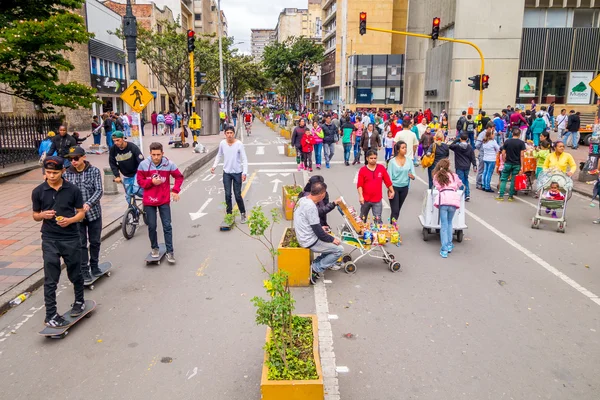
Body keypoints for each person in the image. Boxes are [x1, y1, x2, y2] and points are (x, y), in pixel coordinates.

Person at [32, 156, 86, 327]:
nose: (51, 176)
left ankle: (79, 301)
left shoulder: (73, 190)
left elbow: (81, 213)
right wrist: (42, 215)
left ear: (63, 171)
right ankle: (50, 315)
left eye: (55, 173)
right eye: (48, 172)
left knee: (75, 272)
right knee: (50, 278)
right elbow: (35, 215)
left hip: (70, 237)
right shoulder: (38, 191)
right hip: (49, 238)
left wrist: (70, 220)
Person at [137, 142, 184, 263]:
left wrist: (175, 190)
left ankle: (170, 251)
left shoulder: (169, 164)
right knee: (152, 226)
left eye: (158, 154)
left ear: (163, 153)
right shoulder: (143, 165)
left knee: (167, 226)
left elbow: (179, 177)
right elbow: (140, 181)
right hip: (149, 201)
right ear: (150, 154)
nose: (156, 157)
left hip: (164, 200)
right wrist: (151, 182)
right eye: (154, 154)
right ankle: (154, 248)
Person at [63, 146, 103, 283]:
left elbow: (99, 190)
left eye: (75, 158)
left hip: (93, 213)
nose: (73, 161)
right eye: (70, 159)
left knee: (95, 241)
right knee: (81, 244)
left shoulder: (94, 171)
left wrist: (89, 203)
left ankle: (95, 265)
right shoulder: (66, 174)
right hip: (76, 216)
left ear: (83, 157)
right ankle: (84, 270)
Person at [293, 181, 344, 285]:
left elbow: (310, 222)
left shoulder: (303, 199)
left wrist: (321, 227)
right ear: (322, 194)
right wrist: (332, 239)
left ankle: (316, 263)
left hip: (302, 235)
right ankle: (316, 268)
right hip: (308, 240)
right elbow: (319, 232)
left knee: (330, 242)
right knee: (338, 249)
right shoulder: (311, 206)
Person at [211, 125, 249, 223]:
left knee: (237, 195)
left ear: (233, 134)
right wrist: (214, 166)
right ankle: (229, 215)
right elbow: (219, 155)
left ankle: (243, 213)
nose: (229, 135)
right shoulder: (222, 143)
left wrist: (244, 173)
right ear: (225, 134)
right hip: (226, 173)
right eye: (227, 133)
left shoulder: (239, 144)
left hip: (237, 173)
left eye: (231, 133)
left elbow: (244, 159)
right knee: (227, 195)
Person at [432, 159, 462, 258]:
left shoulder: (437, 176)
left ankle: (444, 249)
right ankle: (449, 244)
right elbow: (460, 184)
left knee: (444, 225)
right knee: (450, 222)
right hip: (453, 199)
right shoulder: (453, 175)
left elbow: (436, 186)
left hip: (443, 199)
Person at [357, 149, 394, 223]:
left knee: (378, 220)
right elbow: (359, 185)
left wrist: (392, 191)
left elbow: (387, 181)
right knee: (362, 219)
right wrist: (361, 196)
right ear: (367, 158)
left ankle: (378, 234)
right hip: (365, 200)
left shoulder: (381, 168)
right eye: (371, 158)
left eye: (375, 158)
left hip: (377, 200)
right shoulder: (363, 170)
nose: (373, 160)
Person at [109, 131, 144, 205]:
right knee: (128, 196)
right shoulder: (113, 150)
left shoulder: (132, 147)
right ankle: (134, 211)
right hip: (126, 174)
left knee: (136, 189)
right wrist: (117, 176)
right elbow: (112, 163)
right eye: (114, 141)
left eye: (118, 140)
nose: (116, 143)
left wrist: (142, 174)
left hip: (136, 172)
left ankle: (148, 198)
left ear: (123, 138)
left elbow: (141, 161)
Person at [387, 141, 415, 222]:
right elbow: (389, 177)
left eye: (406, 147)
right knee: (395, 210)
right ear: (398, 150)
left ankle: (392, 227)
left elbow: (413, 174)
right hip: (394, 187)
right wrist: (390, 190)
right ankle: (393, 229)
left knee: (397, 210)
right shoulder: (392, 162)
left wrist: (412, 176)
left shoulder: (409, 161)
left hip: (404, 188)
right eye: (403, 148)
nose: (405, 149)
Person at [496, 128, 527, 201]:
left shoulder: (507, 141)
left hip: (508, 163)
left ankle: (501, 195)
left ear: (512, 134)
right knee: (513, 180)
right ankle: (510, 196)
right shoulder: (521, 143)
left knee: (503, 179)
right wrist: (522, 166)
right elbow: (522, 155)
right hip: (517, 164)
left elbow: (503, 153)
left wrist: (504, 160)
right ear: (519, 135)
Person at [450, 133, 477, 201]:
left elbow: (450, 146)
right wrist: (474, 165)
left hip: (459, 165)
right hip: (467, 166)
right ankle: (467, 194)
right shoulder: (470, 147)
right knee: (466, 180)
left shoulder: (457, 147)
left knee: (460, 180)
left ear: (460, 139)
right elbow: (472, 157)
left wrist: (456, 140)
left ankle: (461, 193)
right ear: (467, 139)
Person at [475, 122, 494, 190]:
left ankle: (484, 184)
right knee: (481, 169)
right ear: (489, 128)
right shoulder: (482, 134)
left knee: (487, 170)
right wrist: (482, 149)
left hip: (489, 155)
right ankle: (479, 183)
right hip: (483, 154)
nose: (493, 129)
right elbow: (477, 144)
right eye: (492, 128)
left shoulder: (492, 134)